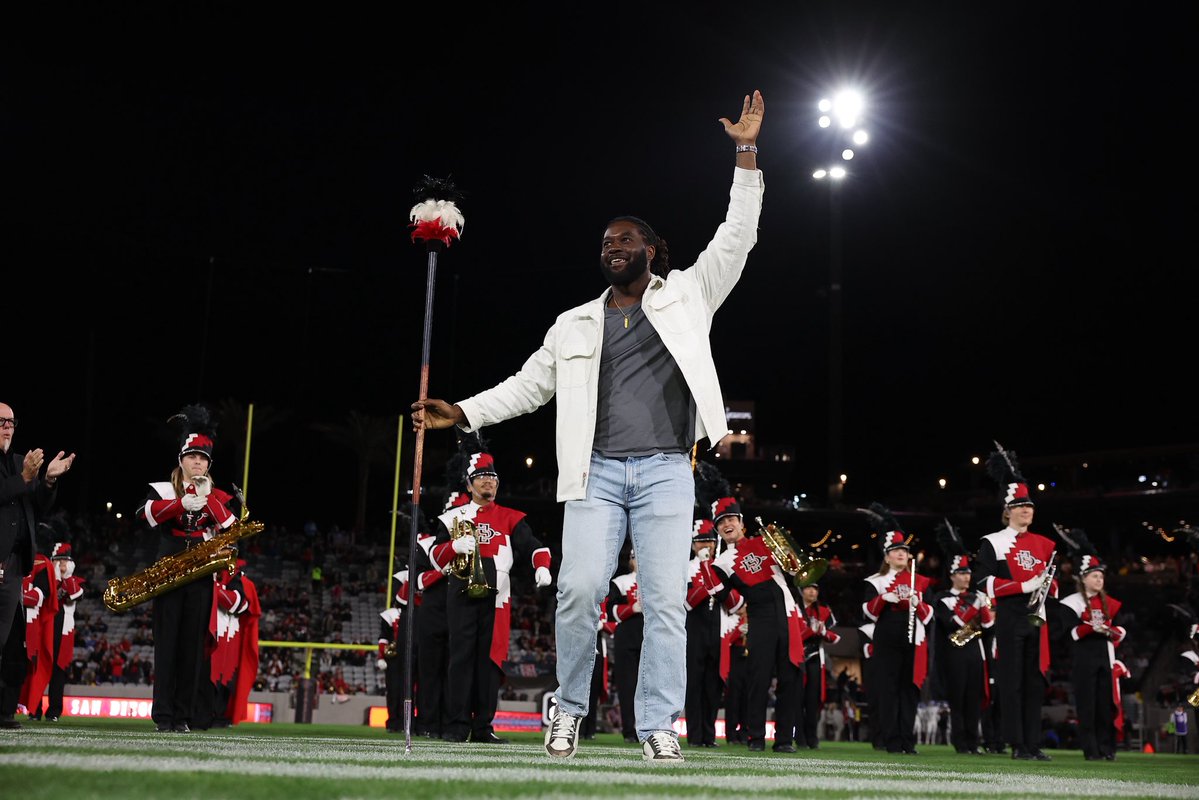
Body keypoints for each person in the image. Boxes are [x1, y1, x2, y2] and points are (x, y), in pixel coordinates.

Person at [412, 89, 765, 763]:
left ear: (655, 251)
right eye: (606, 241)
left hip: (666, 469)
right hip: (594, 472)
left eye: (626, 239)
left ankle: (658, 723)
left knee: (663, 602)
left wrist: (745, 151)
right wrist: (462, 412)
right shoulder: (573, 322)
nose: (613, 247)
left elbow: (738, 235)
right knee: (576, 592)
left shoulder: (691, 294)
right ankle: (567, 709)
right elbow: (528, 386)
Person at [428, 444, 553, 744]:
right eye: (482, 477)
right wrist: (453, 547)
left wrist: (541, 567)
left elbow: (535, 546)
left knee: (490, 662)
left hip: (498, 597)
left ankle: (483, 726)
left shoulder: (511, 518)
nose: (489, 482)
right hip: (460, 592)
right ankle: (457, 725)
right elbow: (433, 556)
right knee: (460, 659)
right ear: (469, 483)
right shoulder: (453, 518)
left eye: (493, 477)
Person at [136, 404, 238, 733]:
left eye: (203, 458)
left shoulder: (219, 495)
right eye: (192, 456)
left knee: (192, 648)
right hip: (168, 571)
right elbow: (144, 514)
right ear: (181, 459)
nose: (197, 462)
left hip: (201, 576)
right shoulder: (163, 490)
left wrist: (209, 501)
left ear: (209, 464)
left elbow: (233, 532)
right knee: (166, 645)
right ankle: (163, 716)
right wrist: (181, 503)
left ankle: (183, 716)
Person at [974, 445, 1058, 761]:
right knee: (1012, 683)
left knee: (1035, 683)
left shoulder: (1045, 544)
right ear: (1007, 509)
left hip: (1037, 618)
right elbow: (983, 583)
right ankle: (1017, 744)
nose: (1026, 509)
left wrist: (1049, 587)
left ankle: (1033, 744)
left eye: (1030, 505)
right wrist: (1023, 585)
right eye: (1019, 505)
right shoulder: (992, 543)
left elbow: (1054, 581)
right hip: (1010, 616)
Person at [709, 496, 809, 753]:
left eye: (731, 519)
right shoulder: (720, 562)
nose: (727, 525)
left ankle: (785, 739)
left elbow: (794, 570)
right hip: (759, 617)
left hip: (788, 612)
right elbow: (726, 599)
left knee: (791, 678)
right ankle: (755, 737)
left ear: (742, 522)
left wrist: (791, 558)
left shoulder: (765, 540)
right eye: (721, 523)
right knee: (758, 679)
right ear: (718, 530)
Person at [0, 401, 73, 729]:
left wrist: (46, 482)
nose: (8, 428)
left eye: (12, 423)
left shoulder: (19, 462)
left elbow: (39, 508)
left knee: (11, 642)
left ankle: (4, 711)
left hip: (14, 565)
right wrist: (26, 477)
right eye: (1, 421)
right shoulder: (22, 468)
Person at [861, 526, 933, 755]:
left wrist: (917, 603)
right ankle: (891, 741)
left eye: (904, 550)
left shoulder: (920, 581)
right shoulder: (875, 581)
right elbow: (869, 612)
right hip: (887, 636)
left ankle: (907, 742)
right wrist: (885, 598)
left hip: (913, 637)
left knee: (909, 691)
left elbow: (930, 615)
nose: (901, 553)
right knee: (888, 691)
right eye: (895, 550)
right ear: (886, 556)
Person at [1059, 552, 1126, 761]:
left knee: (1106, 705)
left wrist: (1112, 630)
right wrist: (1091, 628)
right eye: (1095, 576)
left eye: (1101, 577)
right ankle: (1091, 750)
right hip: (1084, 659)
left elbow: (1121, 629)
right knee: (1087, 706)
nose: (1099, 580)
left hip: (1105, 657)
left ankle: (1107, 748)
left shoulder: (1110, 603)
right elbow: (1070, 633)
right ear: (1083, 578)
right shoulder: (1071, 602)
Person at [932, 551, 992, 755]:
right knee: (957, 699)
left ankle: (973, 742)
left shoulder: (977, 597)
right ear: (951, 575)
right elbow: (953, 623)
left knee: (973, 699)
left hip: (975, 651)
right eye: (961, 572)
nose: (966, 577)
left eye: (967, 572)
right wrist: (976, 605)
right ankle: (960, 743)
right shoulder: (943, 599)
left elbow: (988, 624)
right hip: (954, 653)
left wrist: (982, 606)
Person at [683, 519, 726, 748]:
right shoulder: (686, 568)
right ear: (692, 546)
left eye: (709, 541)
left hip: (718, 627)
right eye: (700, 542)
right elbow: (688, 602)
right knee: (694, 684)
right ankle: (695, 736)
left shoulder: (721, 565)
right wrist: (708, 584)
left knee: (713, 684)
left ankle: (709, 736)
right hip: (694, 628)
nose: (705, 546)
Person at [415, 498, 454, 738]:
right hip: (431, 614)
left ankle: (452, 725)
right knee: (429, 672)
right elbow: (417, 581)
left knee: (455, 674)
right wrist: (442, 571)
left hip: (460, 613)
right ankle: (427, 723)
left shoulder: (473, 542)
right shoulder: (424, 544)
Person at [208, 556, 260, 728]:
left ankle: (217, 714)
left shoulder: (243, 583)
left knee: (223, 676)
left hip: (227, 634)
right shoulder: (244, 582)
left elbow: (240, 604)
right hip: (224, 634)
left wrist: (213, 589)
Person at [796, 581, 841, 750]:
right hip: (797, 657)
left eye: (815, 588)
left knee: (813, 700)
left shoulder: (823, 610)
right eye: (808, 588)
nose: (812, 592)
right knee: (797, 700)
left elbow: (835, 638)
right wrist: (810, 630)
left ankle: (812, 738)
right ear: (801, 590)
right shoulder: (793, 608)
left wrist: (822, 632)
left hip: (815, 657)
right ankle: (799, 738)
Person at [44, 542, 85, 721]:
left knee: (58, 671)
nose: (61, 565)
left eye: (65, 561)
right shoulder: (44, 580)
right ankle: (34, 709)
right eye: (58, 561)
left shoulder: (73, 581)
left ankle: (54, 711)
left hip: (63, 630)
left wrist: (65, 577)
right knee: (39, 668)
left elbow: (76, 594)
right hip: (45, 627)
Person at [607, 549, 643, 744]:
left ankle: (649, 727)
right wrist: (632, 608)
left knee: (649, 686)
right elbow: (610, 611)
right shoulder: (621, 582)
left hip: (649, 639)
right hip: (627, 639)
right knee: (628, 686)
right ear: (630, 561)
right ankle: (630, 730)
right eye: (635, 557)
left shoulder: (656, 581)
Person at [18, 550, 58, 720]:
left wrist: (15, 596)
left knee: (35, 667)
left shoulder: (43, 565)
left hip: (36, 622)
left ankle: (40, 710)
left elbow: (38, 597)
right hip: (27, 619)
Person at [377, 569, 410, 733]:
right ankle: (393, 722)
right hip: (393, 657)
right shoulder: (389, 615)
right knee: (393, 690)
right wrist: (381, 656)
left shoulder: (415, 613)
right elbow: (383, 637)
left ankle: (407, 723)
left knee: (409, 691)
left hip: (409, 655)